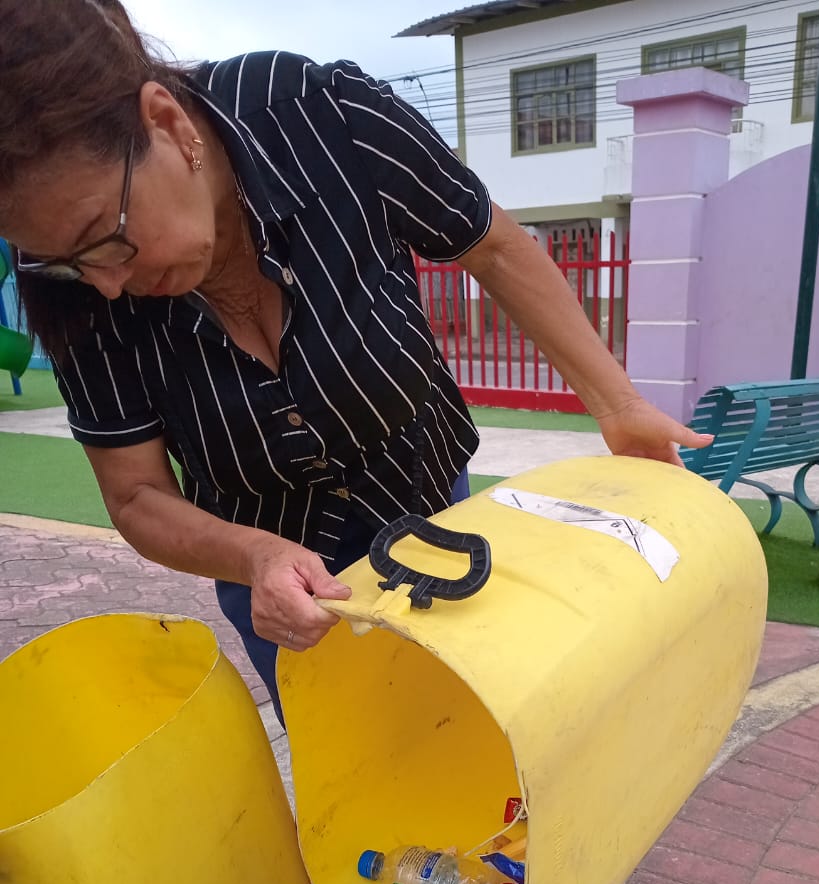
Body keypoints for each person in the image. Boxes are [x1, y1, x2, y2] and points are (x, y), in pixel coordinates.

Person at [0, 0, 710, 717]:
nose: (106, 284)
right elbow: (135, 497)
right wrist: (256, 556)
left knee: (484, 729)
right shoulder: (80, 291)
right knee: (352, 763)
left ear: (168, 124)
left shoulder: (320, 115)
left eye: (106, 238)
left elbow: (491, 247)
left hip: (433, 514)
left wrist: (619, 405)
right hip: (284, 591)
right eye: (66, 262)